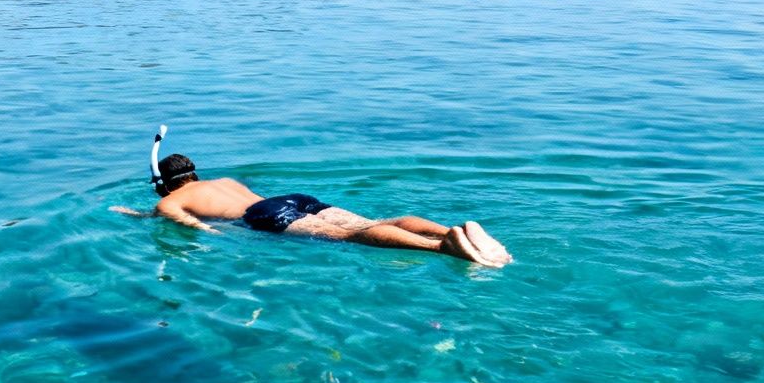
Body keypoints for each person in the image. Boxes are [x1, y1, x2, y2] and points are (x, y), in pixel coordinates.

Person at [113, 136, 512, 267]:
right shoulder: (225, 179)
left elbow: (198, 228)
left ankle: (441, 247)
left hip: (266, 214)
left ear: (163, 183)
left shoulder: (169, 202)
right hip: (290, 198)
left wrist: (138, 214)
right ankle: (451, 230)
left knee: (351, 238)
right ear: (194, 172)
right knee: (371, 220)